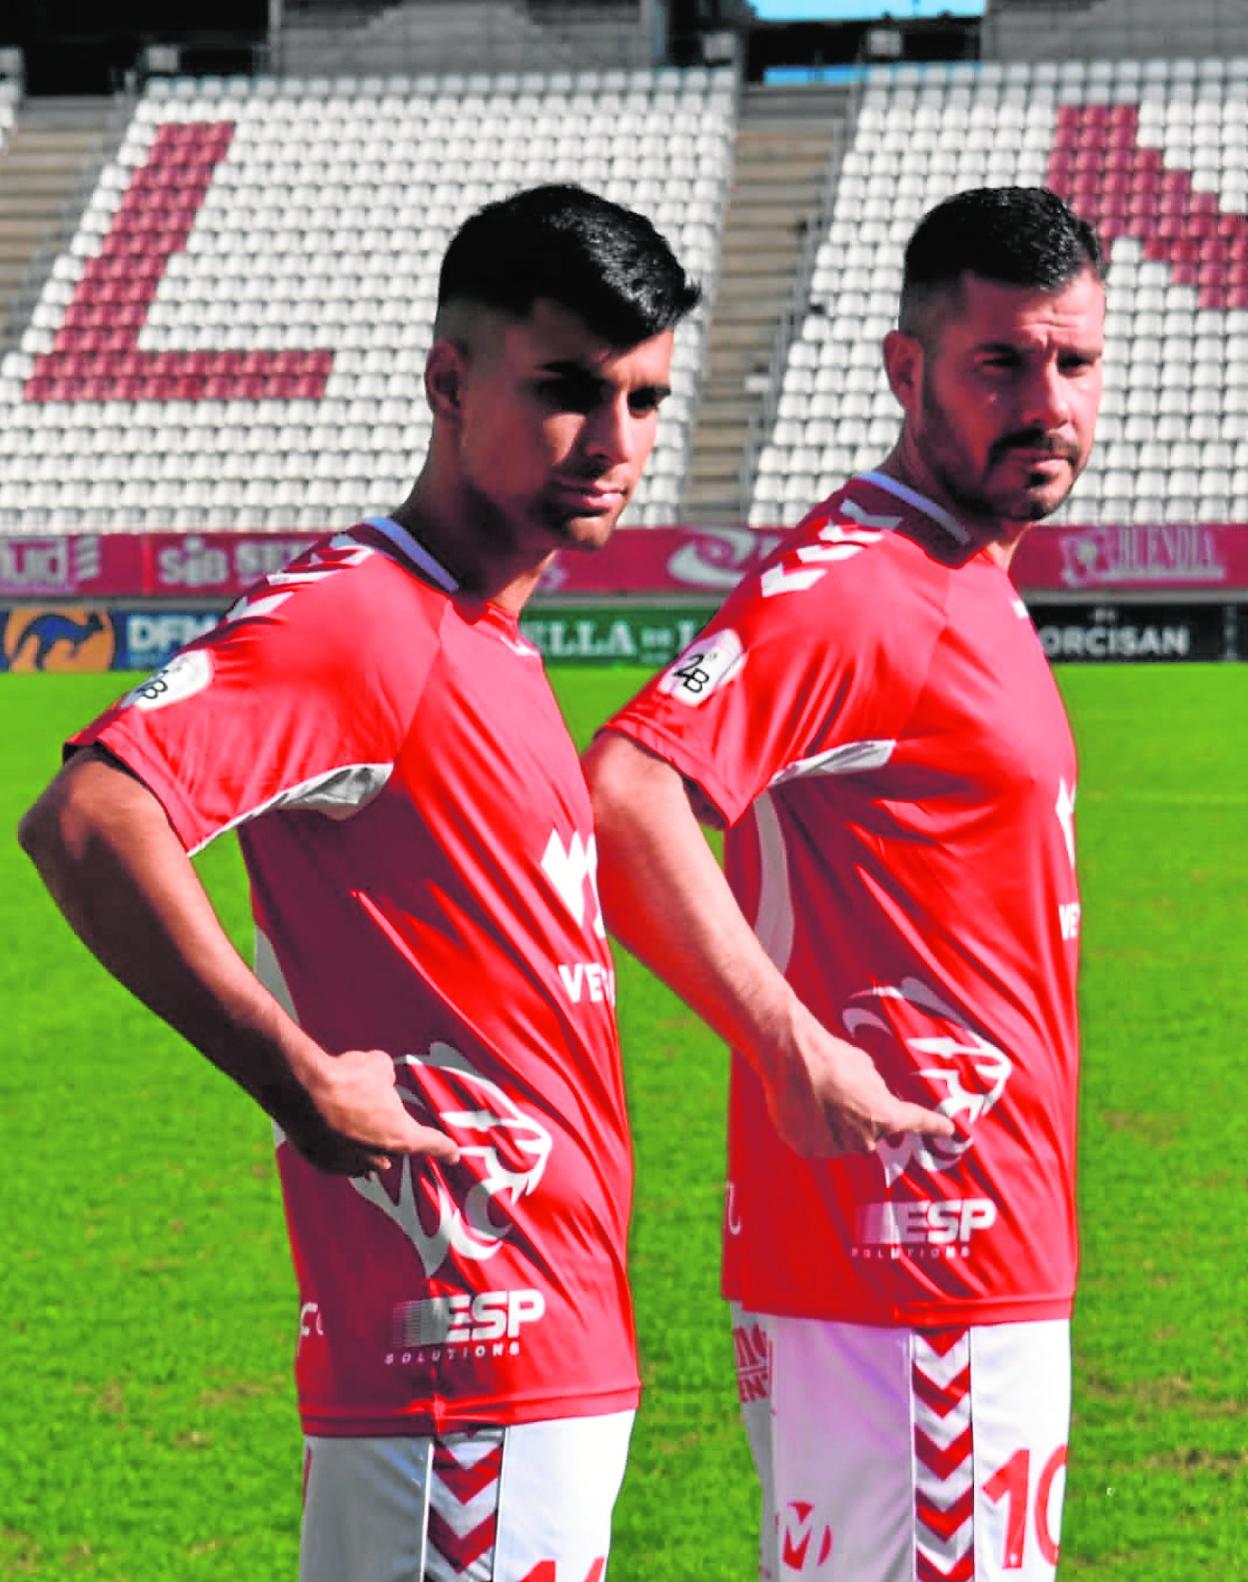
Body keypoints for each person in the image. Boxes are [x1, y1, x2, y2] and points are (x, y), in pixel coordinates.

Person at [19, 183, 700, 1582]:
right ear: (449, 379)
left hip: (541, 1358)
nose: (615, 443)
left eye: (644, 399)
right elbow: (90, 817)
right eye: (569, 390)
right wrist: (294, 1072)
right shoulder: (359, 621)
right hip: (462, 1369)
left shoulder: (488, 639)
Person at [584, 186, 1106, 1582]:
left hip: (935, 1259)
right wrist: (785, 1035)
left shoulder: (959, 573)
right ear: (905, 368)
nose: (1044, 400)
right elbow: (629, 792)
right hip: (918, 1264)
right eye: (1000, 362)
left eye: (1073, 362)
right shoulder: (865, 587)